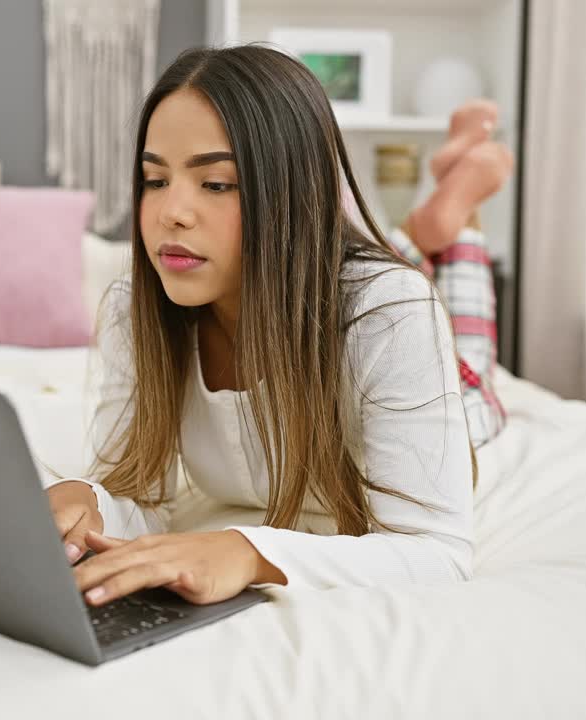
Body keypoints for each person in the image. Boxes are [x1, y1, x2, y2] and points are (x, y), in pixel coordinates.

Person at [45, 46, 512, 610]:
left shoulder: (393, 311)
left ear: (291, 192)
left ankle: (457, 202)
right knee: (386, 272)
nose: (172, 212)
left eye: (215, 184)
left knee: (465, 359)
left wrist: (247, 552)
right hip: (327, 284)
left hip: (450, 384)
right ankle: (433, 217)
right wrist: (92, 498)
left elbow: (439, 551)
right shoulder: (132, 308)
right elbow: (139, 494)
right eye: (154, 179)